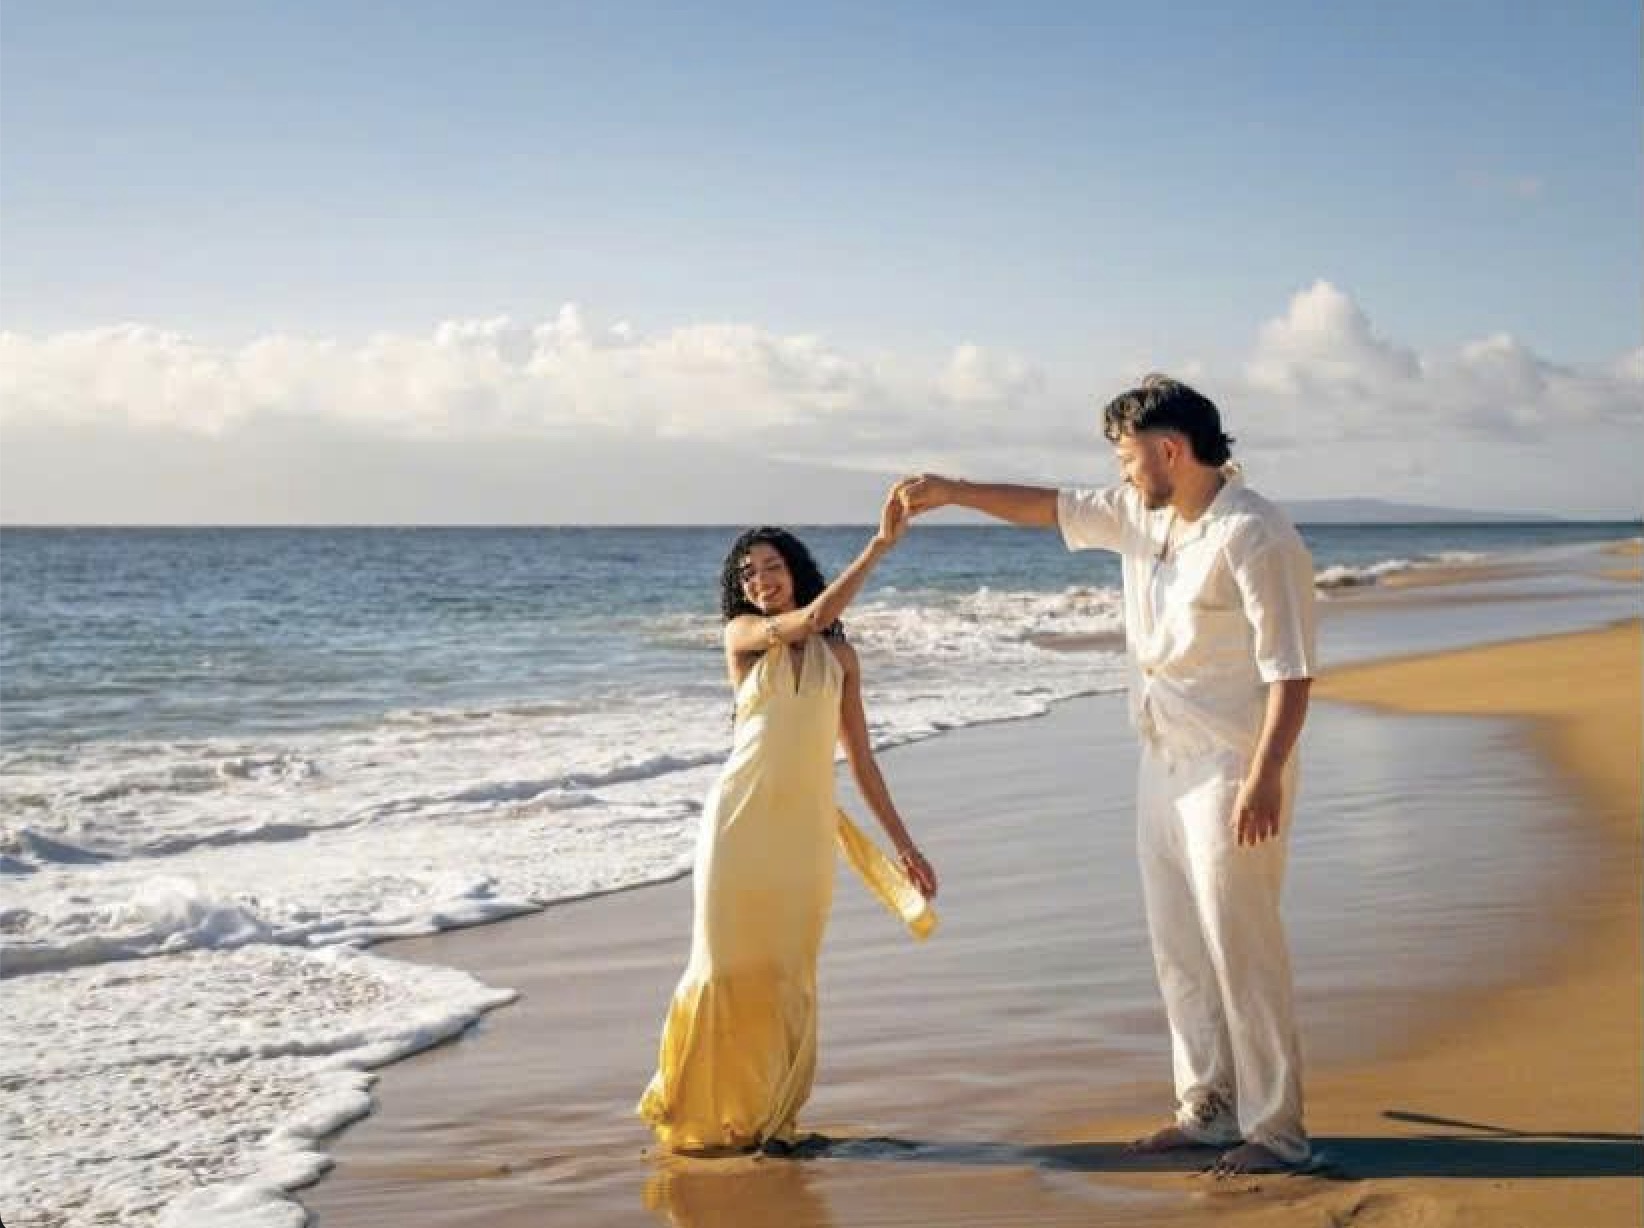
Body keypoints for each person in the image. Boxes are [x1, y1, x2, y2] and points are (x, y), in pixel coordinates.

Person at [895, 374, 1316, 1176]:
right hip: (1161, 760)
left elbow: (1291, 671)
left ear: (1170, 450)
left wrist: (1265, 777)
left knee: (1241, 948)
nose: (1120, 474)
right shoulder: (1140, 516)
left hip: (1234, 766)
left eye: (1127, 459)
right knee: (1179, 948)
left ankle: (1279, 1132)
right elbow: (1044, 506)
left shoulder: (1255, 535)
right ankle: (1208, 1109)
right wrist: (949, 491)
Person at [637, 493, 938, 1154]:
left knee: (786, 975)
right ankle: (692, 1109)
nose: (759, 581)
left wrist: (904, 846)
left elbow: (862, 762)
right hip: (739, 825)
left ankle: (770, 1120)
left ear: (793, 567)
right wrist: (880, 546)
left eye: (769, 567)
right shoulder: (743, 638)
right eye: (747, 574)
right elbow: (816, 615)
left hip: (804, 837)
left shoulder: (844, 658)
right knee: (719, 967)